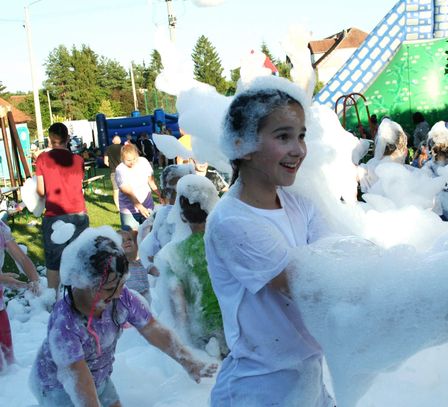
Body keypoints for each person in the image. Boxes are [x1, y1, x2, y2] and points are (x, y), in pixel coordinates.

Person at [205, 77, 335, 406]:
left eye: (301, 136)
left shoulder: (298, 202)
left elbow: (338, 260)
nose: (299, 150)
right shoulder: (233, 222)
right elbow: (313, 286)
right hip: (258, 388)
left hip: (307, 378)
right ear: (242, 146)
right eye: (283, 136)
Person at [30, 226, 217, 406]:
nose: (119, 294)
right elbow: (78, 378)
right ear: (82, 282)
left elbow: (152, 328)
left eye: (121, 285)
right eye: (110, 288)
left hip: (99, 377)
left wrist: (188, 361)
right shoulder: (66, 324)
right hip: (60, 388)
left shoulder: (119, 297)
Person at [159, 174, 226, 358]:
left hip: (201, 328)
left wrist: (185, 341)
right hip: (230, 322)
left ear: (182, 216)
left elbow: (179, 307)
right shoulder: (223, 242)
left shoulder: (173, 254)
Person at [36, 123, 89, 293]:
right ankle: (81, 299)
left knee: (54, 263)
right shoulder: (79, 160)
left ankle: (53, 301)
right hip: (78, 213)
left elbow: (41, 190)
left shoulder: (42, 159)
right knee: (80, 259)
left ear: (50, 140)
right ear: (67, 139)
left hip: (54, 214)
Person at [0, 220, 40, 371]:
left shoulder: (1, 228)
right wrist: (2, 278)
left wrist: (34, 279)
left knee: (7, 360)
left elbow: (21, 258)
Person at [115, 144, 162, 231]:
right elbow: (128, 192)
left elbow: (151, 181)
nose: (132, 162)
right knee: (132, 238)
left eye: (134, 159)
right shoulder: (120, 170)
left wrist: (160, 195)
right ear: (122, 158)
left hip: (148, 207)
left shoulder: (144, 162)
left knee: (149, 236)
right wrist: (140, 207)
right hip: (129, 211)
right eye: (128, 160)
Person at [117, 229, 157, 305]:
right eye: (122, 241)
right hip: (133, 305)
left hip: (150, 301)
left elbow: (155, 272)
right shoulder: (120, 268)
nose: (127, 241)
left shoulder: (142, 263)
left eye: (129, 239)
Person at [104, 136, 123, 209]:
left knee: (116, 190)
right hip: (123, 171)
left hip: (113, 171)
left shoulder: (108, 148)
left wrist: (111, 166)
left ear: (113, 141)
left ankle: (118, 208)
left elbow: (105, 162)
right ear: (120, 141)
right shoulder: (123, 148)